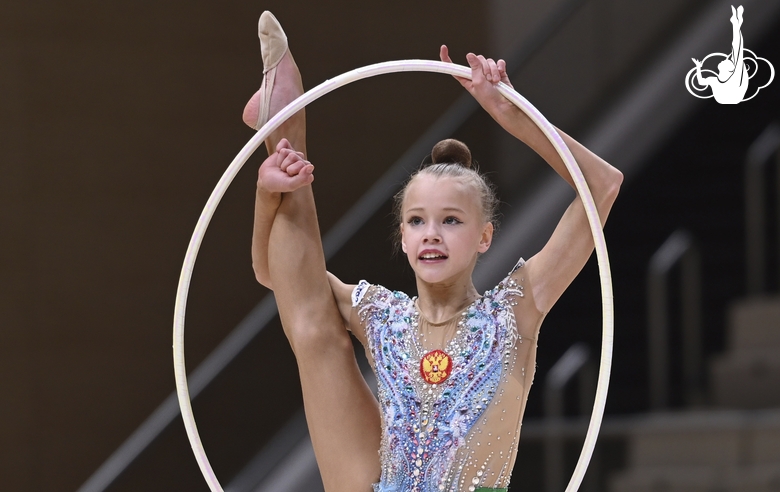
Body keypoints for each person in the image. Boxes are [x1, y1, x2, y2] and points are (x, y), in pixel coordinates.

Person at [246, 11, 623, 492]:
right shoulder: (382, 315)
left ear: (485, 237)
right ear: (402, 238)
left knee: (312, 307)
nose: (432, 235)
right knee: (313, 324)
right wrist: (266, 195)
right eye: (418, 221)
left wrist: (511, 112)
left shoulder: (512, 312)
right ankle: (282, 130)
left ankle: (280, 128)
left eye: (451, 221)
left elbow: (603, 185)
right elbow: (275, 276)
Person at [692, 5, 748, 104]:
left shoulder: (732, 78)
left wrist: (698, 67)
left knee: (737, 50)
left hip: (732, 96)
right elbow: (701, 82)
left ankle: (736, 23)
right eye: (728, 60)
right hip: (730, 97)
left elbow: (737, 48)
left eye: (727, 61)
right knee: (736, 51)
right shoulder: (716, 80)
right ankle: (736, 23)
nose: (725, 59)